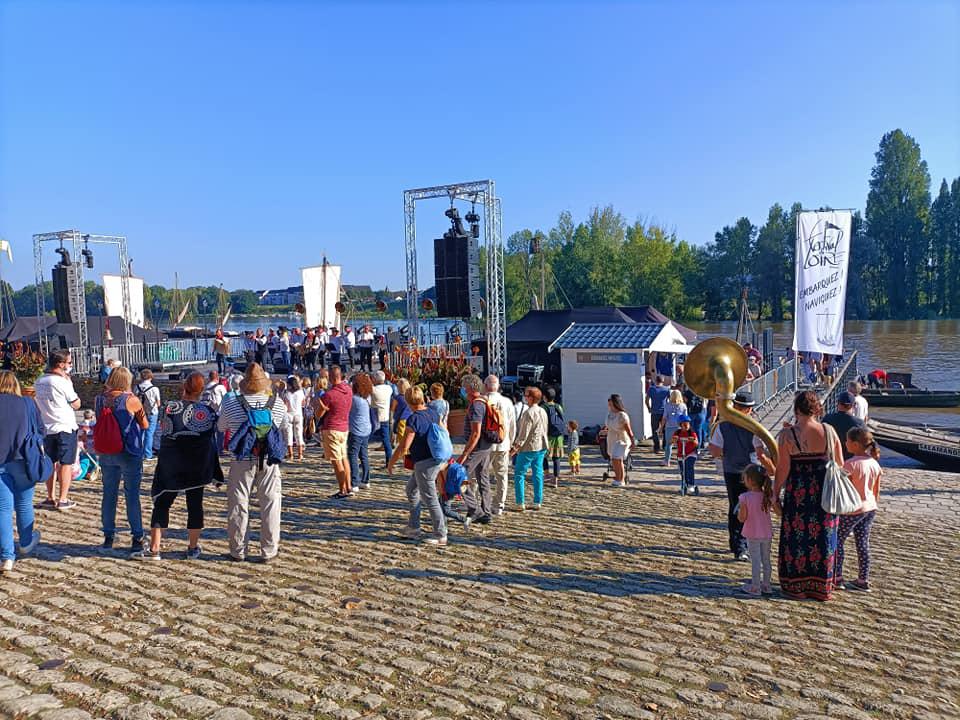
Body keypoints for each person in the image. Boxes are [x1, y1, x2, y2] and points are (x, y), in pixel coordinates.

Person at [134, 371, 222, 560]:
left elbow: (165, 431)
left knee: (162, 503)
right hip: (196, 464)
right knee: (195, 504)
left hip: (171, 462)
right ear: (201, 390)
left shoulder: (169, 407)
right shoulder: (208, 412)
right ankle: (192, 547)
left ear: (184, 387)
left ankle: (155, 548)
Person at [774, 390, 843, 600]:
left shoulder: (787, 435)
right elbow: (839, 465)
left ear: (796, 409)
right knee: (824, 537)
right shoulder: (829, 431)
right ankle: (822, 587)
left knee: (796, 537)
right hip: (824, 492)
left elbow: (783, 469)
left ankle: (796, 587)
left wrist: (775, 493)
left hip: (798, 493)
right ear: (817, 409)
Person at [219, 363, 286, 562]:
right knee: (271, 503)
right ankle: (269, 550)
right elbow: (283, 426)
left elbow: (221, 427)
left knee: (239, 503)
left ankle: (238, 550)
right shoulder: (277, 403)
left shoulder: (231, 403)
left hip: (241, 459)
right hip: (269, 459)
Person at [708, 390, 769, 561]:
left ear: (735, 406)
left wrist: (726, 454)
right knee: (751, 507)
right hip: (752, 472)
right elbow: (760, 452)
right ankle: (744, 544)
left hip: (732, 471)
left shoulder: (722, 425)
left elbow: (714, 451)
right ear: (749, 409)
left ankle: (738, 544)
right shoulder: (755, 426)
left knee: (736, 506)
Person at [96, 366, 149, 552]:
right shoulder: (131, 400)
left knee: (109, 494)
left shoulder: (100, 400)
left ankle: (109, 536)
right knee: (131, 495)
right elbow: (144, 424)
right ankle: (137, 537)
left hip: (107, 452)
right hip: (128, 451)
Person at [389, 385, 447, 546]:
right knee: (411, 489)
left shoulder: (414, 419)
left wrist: (392, 462)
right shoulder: (432, 413)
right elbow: (444, 430)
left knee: (430, 498)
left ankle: (441, 533)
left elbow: (404, 445)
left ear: (408, 402)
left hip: (424, 463)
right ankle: (414, 527)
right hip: (432, 459)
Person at [0, 371, 42, 573]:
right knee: (24, 503)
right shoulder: (27, 403)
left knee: (3, 509)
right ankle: (25, 542)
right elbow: (40, 429)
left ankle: (7, 556)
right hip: (23, 459)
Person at [34, 349, 81, 510]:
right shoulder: (62, 382)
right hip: (64, 425)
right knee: (65, 463)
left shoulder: (39, 381)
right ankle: (63, 498)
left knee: (50, 462)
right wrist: (70, 384)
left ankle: (50, 496)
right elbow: (76, 404)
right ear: (61, 364)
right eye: (69, 363)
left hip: (47, 426)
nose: (70, 365)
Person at [836, 427, 882, 592]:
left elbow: (841, 487)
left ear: (855, 444)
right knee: (862, 543)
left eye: (847, 441)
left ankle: (838, 577)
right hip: (870, 508)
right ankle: (863, 579)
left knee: (838, 541)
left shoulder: (850, 464)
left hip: (852, 509)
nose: (845, 443)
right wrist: (873, 502)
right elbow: (876, 489)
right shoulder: (874, 463)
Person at [457, 374, 493, 524]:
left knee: (458, 476)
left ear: (471, 389)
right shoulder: (484, 401)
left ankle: (475, 510)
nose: (463, 391)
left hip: (478, 447)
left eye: (464, 388)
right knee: (483, 478)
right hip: (486, 446)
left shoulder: (477, 405)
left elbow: (476, 433)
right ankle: (486, 512)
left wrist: (465, 454)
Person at [314, 365, 353, 498]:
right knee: (344, 458)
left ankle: (342, 490)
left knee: (336, 461)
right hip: (344, 427)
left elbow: (319, 414)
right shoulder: (348, 390)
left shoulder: (329, 395)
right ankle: (348, 486)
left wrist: (319, 406)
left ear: (331, 378)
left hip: (331, 428)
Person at [737, 464, 774, 596]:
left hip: (753, 533)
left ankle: (755, 586)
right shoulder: (768, 495)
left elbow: (742, 518)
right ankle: (767, 585)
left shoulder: (745, 497)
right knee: (766, 559)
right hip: (767, 532)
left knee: (756, 561)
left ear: (750, 481)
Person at [509, 386, 548, 511]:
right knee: (538, 473)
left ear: (531, 398)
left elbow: (523, 434)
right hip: (541, 445)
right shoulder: (543, 411)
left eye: (526, 395)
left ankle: (520, 502)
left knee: (519, 474)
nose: (525, 398)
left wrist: (515, 448)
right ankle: (538, 501)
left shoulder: (528, 413)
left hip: (528, 447)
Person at [485, 375, 517, 516]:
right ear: (498, 386)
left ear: (486, 386)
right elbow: (512, 425)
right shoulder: (507, 402)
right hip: (503, 444)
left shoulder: (482, 400)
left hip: (485, 445)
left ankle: (482, 503)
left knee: (480, 475)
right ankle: (499, 505)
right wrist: (510, 441)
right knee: (502, 476)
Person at [822, 391, 866, 461]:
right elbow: (866, 443)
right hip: (851, 461)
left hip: (832, 460)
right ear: (853, 405)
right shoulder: (859, 423)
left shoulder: (827, 419)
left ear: (838, 404)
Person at [348, 373, 373, 493]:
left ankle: (354, 482)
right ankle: (366, 480)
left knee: (353, 455)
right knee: (364, 455)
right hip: (366, 429)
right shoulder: (367, 398)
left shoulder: (354, 399)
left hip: (356, 430)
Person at [604, 394, 635, 488]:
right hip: (611, 438)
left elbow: (628, 430)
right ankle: (617, 477)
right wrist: (604, 431)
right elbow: (609, 425)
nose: (609, 406)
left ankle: (621, 479)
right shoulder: (609, 414)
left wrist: (633, 440)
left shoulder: (622, 415)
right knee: (613, 459)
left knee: (617, 458)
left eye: (611, 404)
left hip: (621, 439)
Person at [136, 370, 162, 461]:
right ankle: (148, 454)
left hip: (140, 413)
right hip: (152, 413)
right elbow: (158, 403)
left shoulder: (137, 387)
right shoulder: (155, 389)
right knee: (149, 434)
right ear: (151, 377)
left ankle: (140, 452)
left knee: (140, 433)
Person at [542, 387, 565, 488]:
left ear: (544, 397)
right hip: (559, 436)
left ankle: (546, 474)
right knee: (556, 458)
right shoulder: (558, 406)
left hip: (548, 435)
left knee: (543, 455)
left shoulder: (544, 407)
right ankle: (555, 480)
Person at [370, 371, 394, 465]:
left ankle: (364, 461)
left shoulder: (374, 389)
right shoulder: (389, 388)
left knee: (364, 439)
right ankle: (389, 460)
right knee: (386, 439)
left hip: (375, 417)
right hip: (385, 416)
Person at [673, 414, 699, 495]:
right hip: (681, 454)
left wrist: (692, 440)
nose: (686, 426)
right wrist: (674, 439)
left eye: (687, 424)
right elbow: (671, 442)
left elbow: (697, 443)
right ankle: (684, 484)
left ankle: (691, 485)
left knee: (689, 467)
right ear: (680, 425)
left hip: (691, 453)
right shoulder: (677, 432)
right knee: (683, 470)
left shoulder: (692, 433)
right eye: (684, 424)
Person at [661, 389, 687, 466]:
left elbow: (664, 418)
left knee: (668, 445)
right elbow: (685, 418)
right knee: (680, 445)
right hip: (679, 427)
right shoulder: (683, 406)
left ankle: (667, 461)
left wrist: (661, 427)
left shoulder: (667, 405)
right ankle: (681, 460)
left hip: (669, 427)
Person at [283, 375, 306, 461]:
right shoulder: (300, 392)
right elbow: (303, 403)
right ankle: (300, 454)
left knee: (289, 435)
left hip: (289, 414)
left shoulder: (286, 393)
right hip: (298, 414)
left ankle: (291, 455)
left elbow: (286, 405)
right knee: (299, 434)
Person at [645, 375, 669, 455]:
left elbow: (647, 400)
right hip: (664, 413)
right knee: (665, 430)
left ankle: (657, 447)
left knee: (655, 430)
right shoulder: (666, 389)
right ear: (663, 381)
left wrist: (649, 408)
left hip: (654, 412)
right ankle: (665, 446)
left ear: (656, 380)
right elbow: (669, 400)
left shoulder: (651, 389)